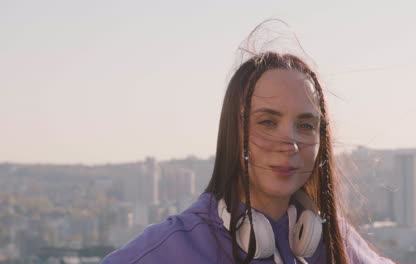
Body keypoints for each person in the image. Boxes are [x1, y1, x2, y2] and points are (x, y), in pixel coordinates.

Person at [101, 26, 397, 264]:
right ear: (235, 132)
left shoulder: (335, 243)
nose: (290, 144)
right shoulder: (175, 248)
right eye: (268, 122)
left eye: (306, 125)